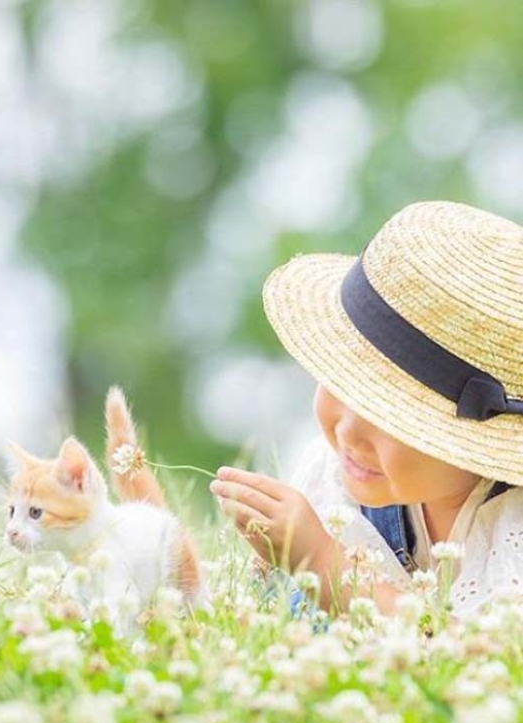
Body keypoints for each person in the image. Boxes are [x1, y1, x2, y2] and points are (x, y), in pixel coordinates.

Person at [209, 200, 523, 619]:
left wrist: (323, 562)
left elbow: (478, 658)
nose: (349, 433)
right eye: (340, 383)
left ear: (478, 438)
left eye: (390, 416)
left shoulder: (511, 528)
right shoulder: (332, 477)